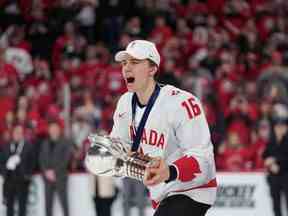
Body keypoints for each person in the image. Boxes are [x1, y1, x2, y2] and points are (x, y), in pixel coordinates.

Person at [110, 40, 217, 216]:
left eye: (135, 62)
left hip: (192, 190)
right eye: (124, 63)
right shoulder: (124, 104)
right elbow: (118, 151)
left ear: (152, 69)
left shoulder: (181, 102)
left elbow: (204, 159)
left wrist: (170, 171)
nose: (126, 68)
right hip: (161, 193)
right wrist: (108, 158)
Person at [0, 124, 36, 216]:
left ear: (23, 134)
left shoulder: (28, 146)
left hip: (22, 181)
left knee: (22, 207)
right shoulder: (6, 146)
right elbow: (1, 162)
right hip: (9, 181)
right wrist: (6, 168)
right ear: (13, 133)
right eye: (16, 132)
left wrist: (27, 175)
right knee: (9, 207)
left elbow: (33, 162)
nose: (18, 134)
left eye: (20, 133)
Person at [39, 121, 73, 216]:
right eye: (52, 128)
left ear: (59, 130)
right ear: (49, 130)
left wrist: (54, 172)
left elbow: (66, 160)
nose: (53, 130)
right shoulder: (44, 143)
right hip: (47, 179)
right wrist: (46, 171)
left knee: (64, 204)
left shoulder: (65, 142)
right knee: (48, 205)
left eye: (55, 128)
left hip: (60, 177)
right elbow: (41, 159)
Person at [263, 116, 288, 216]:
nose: (280, 129)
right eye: (278, 127)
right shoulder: (271, 141)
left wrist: (275, 160)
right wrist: (269, 163)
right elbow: (265, 155)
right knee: (276, 205)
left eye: (282, 127)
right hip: (274, 177)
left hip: (286, 175)